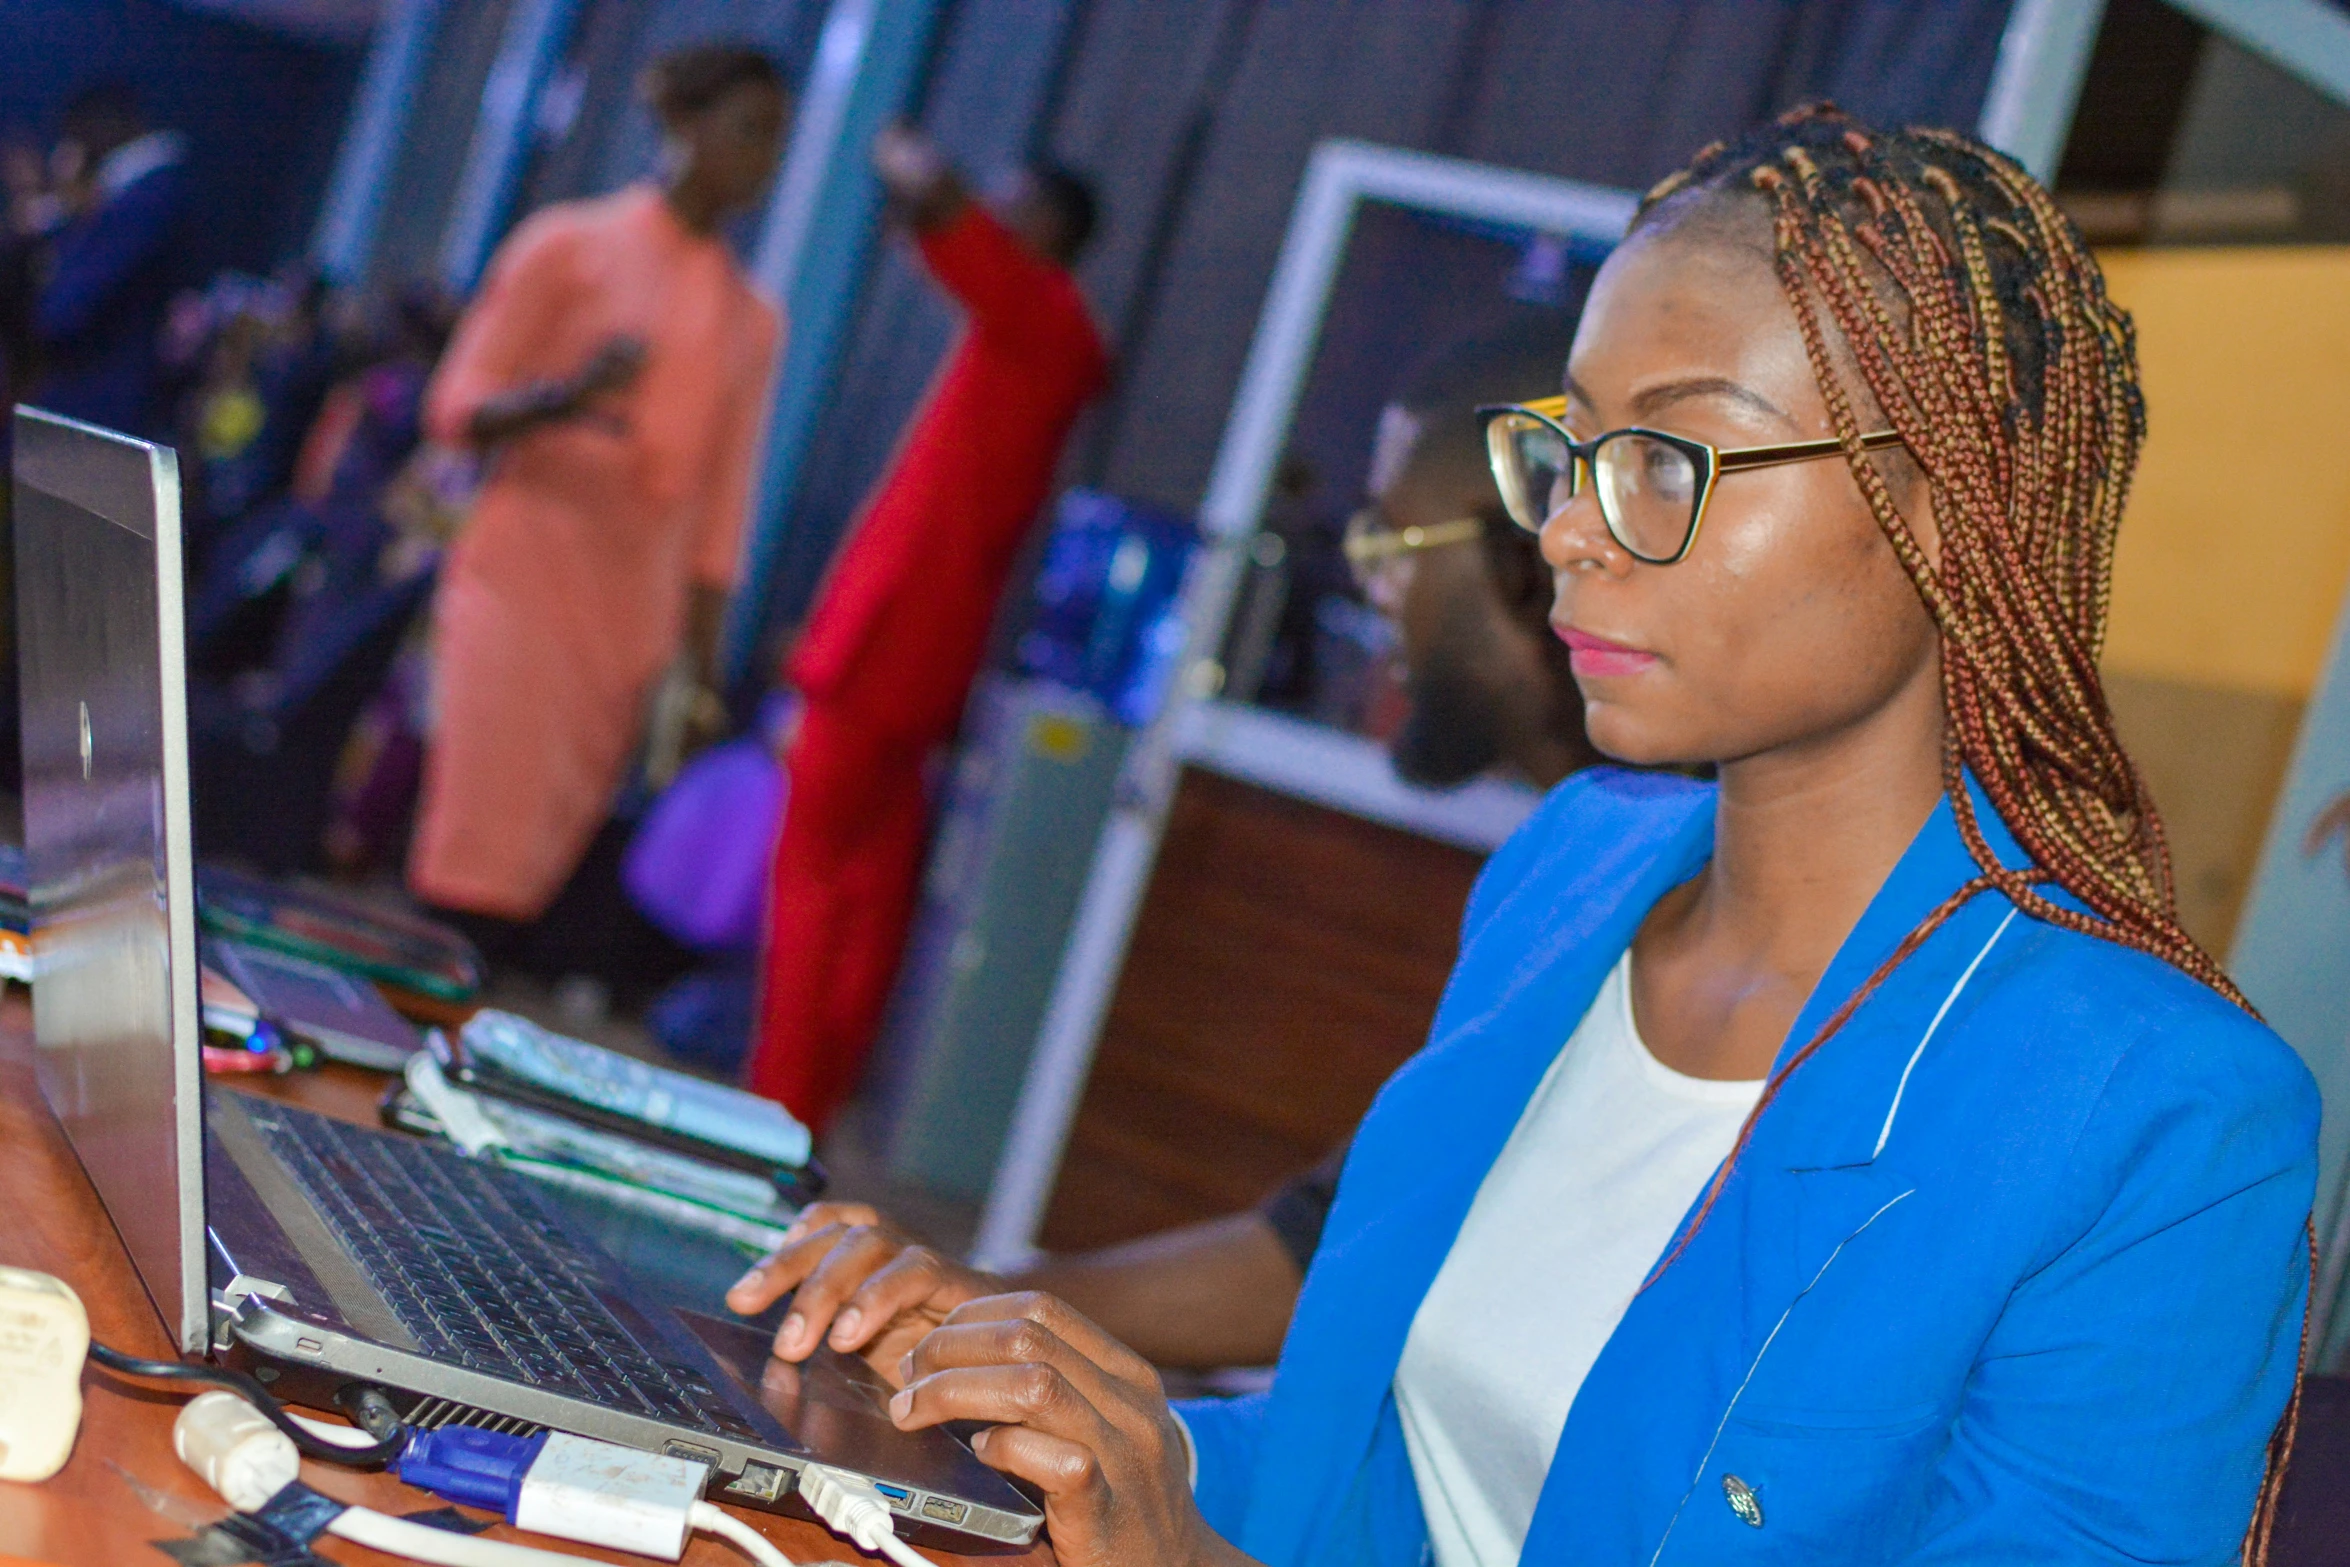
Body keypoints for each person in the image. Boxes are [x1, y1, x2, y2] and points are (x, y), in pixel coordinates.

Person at [725, 107, 2318, 1566]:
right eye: (1569, 446)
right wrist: (1015, 1394)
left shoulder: (2156, 1122)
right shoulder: (1576, 869)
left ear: (1945, 508)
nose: (1563, 524)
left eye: (1668, 455)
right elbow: (1369, 1462)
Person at [729, 324, 1596, 1374]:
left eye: (1388, 545)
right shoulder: (1566, 858)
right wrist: (973, 1296)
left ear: (1531, 546)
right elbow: (1331, 1238)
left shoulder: (1645, 873)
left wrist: (987, 1300)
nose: (1372, 599)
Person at [747, 125, 1109, 1130]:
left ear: (1045, 230)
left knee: (814, 881)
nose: (991, 217)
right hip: (910, 653)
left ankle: (776, 1108)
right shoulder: (1034, 330)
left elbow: (942, 205)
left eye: (1012, 207)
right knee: (867, 886)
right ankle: (803, 1105)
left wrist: (898, 153)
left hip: (890, 649)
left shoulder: (1042, 323)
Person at [407, 45, 786, 945]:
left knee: (536, 862)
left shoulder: (751, 316)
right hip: (522, 575)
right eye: (748, 130)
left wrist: (700, 673)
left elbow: (720, 509)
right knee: (472, 837)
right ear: (686, 125)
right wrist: (567, 395)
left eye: (777, 139)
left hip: (628, 618)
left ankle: (459, 1054)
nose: (764, 158)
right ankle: (412, 1027)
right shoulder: (569, 246)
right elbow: (453, 408)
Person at [28, 84, 190, 439]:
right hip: (90, 396)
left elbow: (64, 311)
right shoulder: (145, 193)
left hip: (95, 402)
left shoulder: (147, 198)